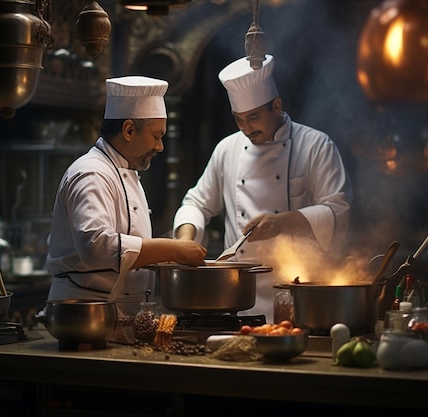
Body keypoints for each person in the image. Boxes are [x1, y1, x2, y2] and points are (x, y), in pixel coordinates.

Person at [173, 55, 353, 321]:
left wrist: (282, 222)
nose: (246, 128)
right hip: (236, 295)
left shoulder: (316, 145)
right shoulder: (227, 149)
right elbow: (196, 203)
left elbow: (339, 209)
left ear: (277, 106)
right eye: (239, 120)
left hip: (296, 290)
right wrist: (184, 243)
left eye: (254, 117)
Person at [45, 76, 207, 344]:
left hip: (116, 319)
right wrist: (173, 248)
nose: (160, 147)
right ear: (129, 130)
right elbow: (96, 246)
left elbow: (127, 250)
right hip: (83, 319)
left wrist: (164, 259)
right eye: (156, 136)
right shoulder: (92, 173)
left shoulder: (123, 171)